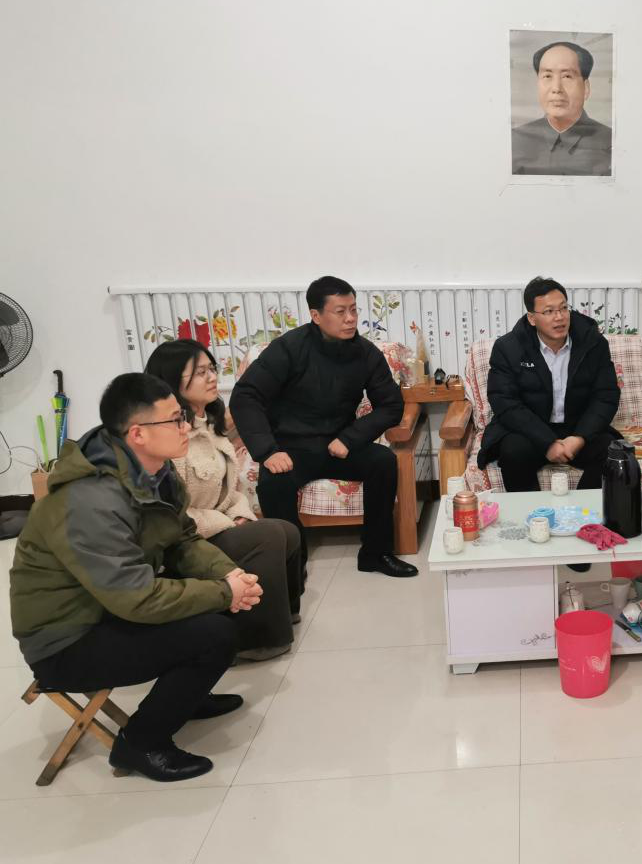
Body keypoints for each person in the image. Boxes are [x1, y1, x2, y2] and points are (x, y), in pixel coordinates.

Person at [9, 373, 263, 782]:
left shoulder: (157, 473)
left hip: (106, 608)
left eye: (183, 416)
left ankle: (187, 697)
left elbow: (181, 540)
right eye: (175, 420)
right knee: (215, 633)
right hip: (65, 640)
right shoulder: (89, 500)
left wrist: (228, 575)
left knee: (227, 607)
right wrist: (222, 592)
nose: (186, 427)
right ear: (138, 434)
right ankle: (140, 744)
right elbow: (136, 598)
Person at [230, 275, 418, 578]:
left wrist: (350, 438)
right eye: (340, 311)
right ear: (316, 316)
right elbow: (245, 396)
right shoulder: (288, 348)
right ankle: (293, 567)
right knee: (273, 483)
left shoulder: (365, 352)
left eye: (353, 309)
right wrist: (267, 451)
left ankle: (375, 554)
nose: (350, 318)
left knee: (383, 462)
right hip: (291, 449)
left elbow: (391, 405)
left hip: (337, 445)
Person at [145, 339, 300, 658]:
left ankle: (283, 612)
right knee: (268, 534)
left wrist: (240, 515)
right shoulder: (170, 440)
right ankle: (255, 639)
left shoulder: (211, 427)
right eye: (201, 372)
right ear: (174, 381)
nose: (213, 377)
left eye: (212, 369)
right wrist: (228, 523)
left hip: (217, 525)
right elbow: (173, 515)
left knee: (287, 531)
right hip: (187, 541)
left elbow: (231, 490)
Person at [479, 276, 621, 499]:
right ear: (532, 318)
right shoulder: (509, 347)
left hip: (577, 427)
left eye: (563, 308)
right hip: (530, 430)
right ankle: (533, 515)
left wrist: (580, 437)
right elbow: (504, 401)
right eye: (549, 311)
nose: (559, 317)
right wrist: (547, 442)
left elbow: (606, 396)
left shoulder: (593, 343)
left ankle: (583, 512)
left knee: (612, 452)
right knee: (513, 451)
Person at [511, 40, 612, 176]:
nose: (556, 88)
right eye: (547, 76)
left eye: (567, 76)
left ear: (586, 88)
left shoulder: (611, 143)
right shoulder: (515, 141)